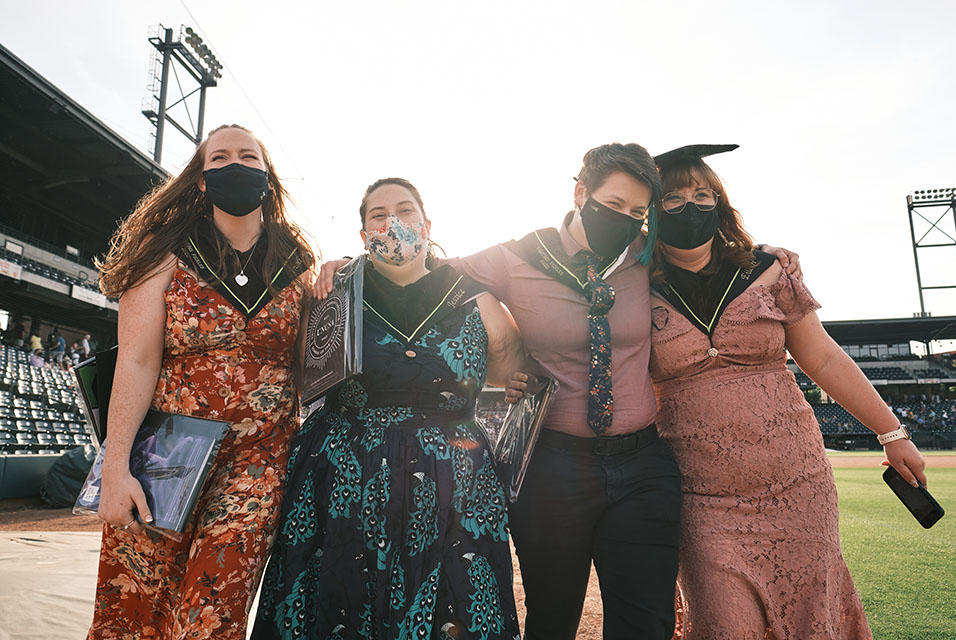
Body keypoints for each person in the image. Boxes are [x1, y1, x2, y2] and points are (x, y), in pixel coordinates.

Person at [319, 144, 797, 640]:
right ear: (580, 193)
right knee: (552, 619)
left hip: (642, 468)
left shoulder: (646, 257)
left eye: (638, 212)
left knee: (645, 624)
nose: (627, 220)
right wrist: (348, 266)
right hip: (552, 466)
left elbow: (711, 263)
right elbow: (422, 269)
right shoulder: (520, 256)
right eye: (614, 206)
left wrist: (767, 255)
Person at [645, 144, 926, 639]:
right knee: (725, 624)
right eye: (673, 198)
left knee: (811, 619)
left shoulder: (768, 268)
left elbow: (822, 358)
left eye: (702, 193)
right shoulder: (630, 286)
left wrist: (891, 431)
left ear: (720, 200)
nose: (691, 206)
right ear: (651, 208)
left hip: (796, 482)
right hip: (701, 496)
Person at [252, 178, 525, 640]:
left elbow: (508, 370)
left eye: (405, 210)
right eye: (378, 214)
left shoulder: (472, 293)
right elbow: (305, 373)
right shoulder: (334, 293)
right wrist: (339, 273)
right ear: (362, 235)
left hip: (453, 481)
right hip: (345, 477)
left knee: (452, 609)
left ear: (427, 224)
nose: (392, 221)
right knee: (342, 604)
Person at [88, 124, 315, 639]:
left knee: (213, 617)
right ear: (200, 180)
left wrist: (342, 278)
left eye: (248, 156)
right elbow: (138, 360)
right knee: (135, 612)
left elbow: (314, 366)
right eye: (219, 158)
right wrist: (114, 466)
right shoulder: (165, 250)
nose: (234, 165)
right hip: (166, 456)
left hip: (257, 462)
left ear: (267, 175)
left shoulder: (298, 263)